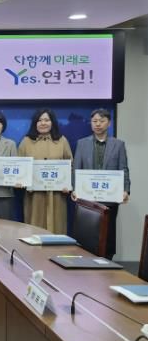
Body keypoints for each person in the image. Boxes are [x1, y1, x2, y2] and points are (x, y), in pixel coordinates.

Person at [72, 108, 130, 259]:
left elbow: (123, 169)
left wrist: (126, 190)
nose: (98, 124)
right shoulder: (82, 143)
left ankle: (107, 261)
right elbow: (76, 168)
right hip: (87, 198)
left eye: (102, 121)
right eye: (95, 121)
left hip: (110, 197)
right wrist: (75, 189)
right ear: (91, 123)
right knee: (86, 233)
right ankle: (86, 261)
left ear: (109, 123)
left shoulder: (118, 144)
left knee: (108, 233)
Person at [18, 108, 73, 234]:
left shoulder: (62, 141)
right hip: (34, 196)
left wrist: (68, 184)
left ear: (52, 122)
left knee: (57, 229)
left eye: (47, 120)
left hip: (57, 195)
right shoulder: (26, 142)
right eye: (40, 120)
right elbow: (20, 167)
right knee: (34, 230)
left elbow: (70, 165)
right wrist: (23, 182)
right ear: (35, 123)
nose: (43, 123)